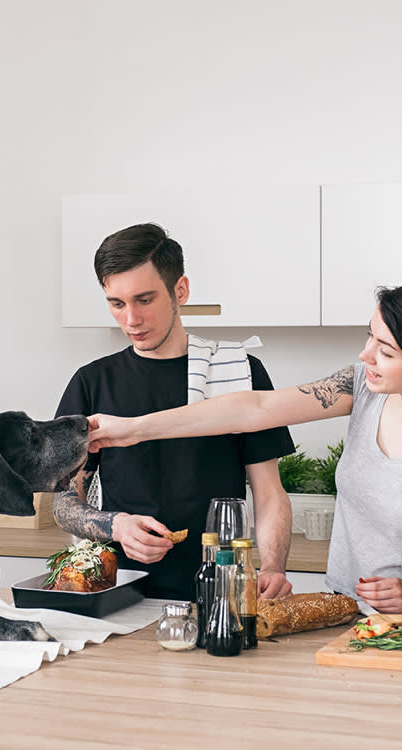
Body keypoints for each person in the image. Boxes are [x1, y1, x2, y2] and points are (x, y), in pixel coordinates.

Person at [87, 279, 402, 613]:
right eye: (370, 337)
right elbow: (254, 409)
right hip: (339, 613)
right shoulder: (364, 388)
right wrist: (133, 429)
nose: (365, 356)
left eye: (386, 350)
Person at [53, 222, 296, 602]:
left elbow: (269, 493)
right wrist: (114, 525)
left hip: (222, 591)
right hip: (120, 593)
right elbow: (65, 503)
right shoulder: (91, 383)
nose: (130, 319)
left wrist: (274, 567)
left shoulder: (240, 373)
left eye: (144, 300)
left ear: (179, 290)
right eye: (117, 304)